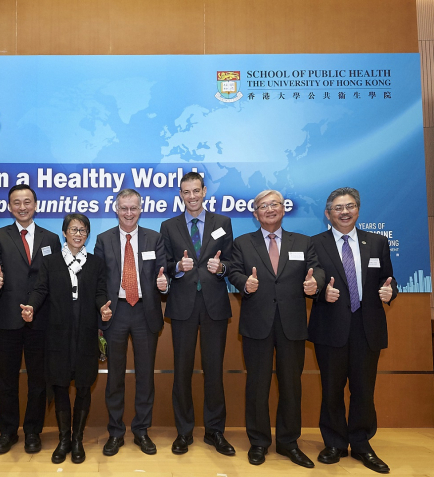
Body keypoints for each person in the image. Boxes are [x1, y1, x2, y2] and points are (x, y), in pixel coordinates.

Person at [228, 189, 324, 468]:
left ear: (283, 209)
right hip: (257, 322)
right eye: (263, 206)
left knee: (291, 385)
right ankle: (258, 442)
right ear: (255, 213)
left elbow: (316, 270)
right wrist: (244, 283)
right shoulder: (243, 243)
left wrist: (314, 283)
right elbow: (233, 270)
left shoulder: (303, 242)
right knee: (257, 385)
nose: (269, 209)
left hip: (292, 324)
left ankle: (288, 442)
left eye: (275, 204)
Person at [308, 187, 397, 474]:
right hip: (330, 326)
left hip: (366, 327)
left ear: (357, 209)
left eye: (349, 206)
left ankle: (361, 443)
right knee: (332, 389)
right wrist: (321, 293)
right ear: (328, 213)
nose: (344, 212)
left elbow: (388, 279)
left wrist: (389, 291)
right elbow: (313, 280)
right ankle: (334, 442)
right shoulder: (315, 244)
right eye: (338, 208)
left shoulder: (377, 242)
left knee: (363, 389)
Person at [21, 214, 111, 464]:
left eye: (83, 230)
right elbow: (40, 289)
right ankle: (64, 439)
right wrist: (30, 307)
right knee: (59, 384)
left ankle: (78, 439)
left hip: (85, 332)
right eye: (73, 229)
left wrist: (103, 308)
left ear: (87, 234)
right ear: (64, 232)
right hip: (57, 333)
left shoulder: (96, 263)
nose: (78, 234)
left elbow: (100, 291)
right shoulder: (50, 261)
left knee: (83, 384)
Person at [159, 172, 235, 456]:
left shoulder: (223, 223)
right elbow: (163, 264)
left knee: (214, 372)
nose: (191, 196)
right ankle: (184, 432)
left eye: (196, 191)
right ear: (181, 194)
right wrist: (177, 266)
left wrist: (223, 269)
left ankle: (215, 432)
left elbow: (231, 261)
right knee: (182, 371)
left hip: (214, 305)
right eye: (186, 192)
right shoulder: (169, 226)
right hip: (182, 306)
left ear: (204, 192)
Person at [0, 184, 61, 454]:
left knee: (38, 379)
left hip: (41, 319)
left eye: (27, 201)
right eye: (16, 202)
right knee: (6, 378)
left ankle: (32, 431)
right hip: (7, 318)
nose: (22, 207)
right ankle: (7, 432)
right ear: (9, 207)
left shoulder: (51, 238)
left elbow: (54, 277)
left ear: (36, 205)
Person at [93, 189, 168, 456]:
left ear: (140, 209)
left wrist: (164, 283)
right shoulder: (103, 240)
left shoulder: (155, 238)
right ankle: (115, 432)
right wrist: (101, 306)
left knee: (145, 376)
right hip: (116, 312)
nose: (128, 213)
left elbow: (164, 274)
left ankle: (141, 431)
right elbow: (98, 280)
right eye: (123, 208)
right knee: (115, 377)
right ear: (116, 209)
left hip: (145, 312)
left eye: (133, 208)